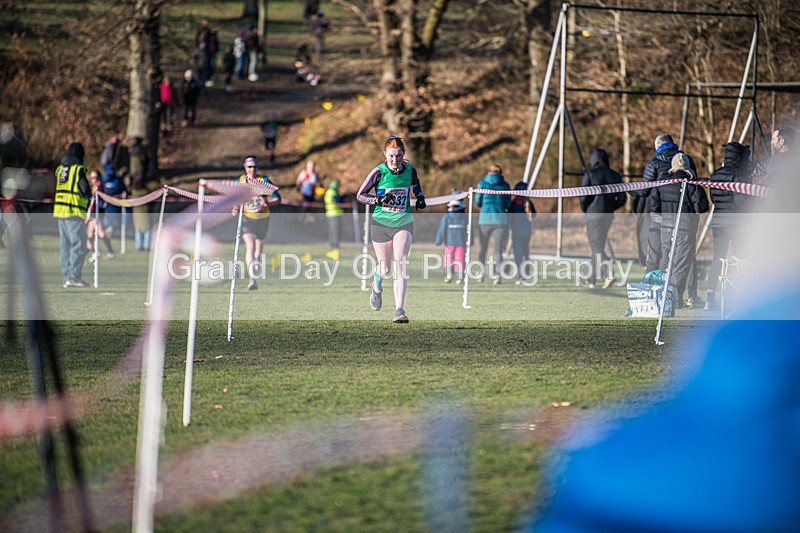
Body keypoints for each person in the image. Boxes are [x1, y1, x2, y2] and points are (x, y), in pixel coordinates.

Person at [357, 135, 427, 323]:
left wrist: (420, 197)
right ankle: (376, 284)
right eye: (391, 156)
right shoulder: (378, 172)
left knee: (400, 262)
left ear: (404, 154)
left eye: (398, 156)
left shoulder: (410, 170)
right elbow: (361, 195)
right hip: (381, 224)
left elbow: (415, 184)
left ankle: (399, 310)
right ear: (384, 154)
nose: (395, 160)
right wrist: (377, 200)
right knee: (385, 268)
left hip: (403, 222)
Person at [651, 151, 708, 308]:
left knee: (666, 261)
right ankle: (675, 300)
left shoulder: (662, 183)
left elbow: (654, 204)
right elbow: (702, 206)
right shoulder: (690, 184)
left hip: (666, 228)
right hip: (685, 228)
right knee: (681, 263)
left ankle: (662, 297)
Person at [705, 141, 751, 312]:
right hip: (736, 222)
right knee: (740, 259)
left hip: (718, 221)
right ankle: (739, 298)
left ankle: (710, 299)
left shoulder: (715, 175)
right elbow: (741, 202)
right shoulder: (740, 175)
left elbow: (714, 199)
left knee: (717, 259)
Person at [631, 133, 683, 274]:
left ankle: (651, 283)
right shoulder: (684, 160)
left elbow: (645, 190)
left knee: (654, 253)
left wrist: (632, 190)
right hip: (681, 213)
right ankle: (683, 288)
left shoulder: (654, 163)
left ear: (658, 146)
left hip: (660, 214)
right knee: (681, 255)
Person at [579, 148, 626, 288]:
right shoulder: (615, 175)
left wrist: (587, 209)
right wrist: (611, 207)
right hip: (607, 216)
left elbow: (583, 197)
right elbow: (622, 198)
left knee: (596, 246)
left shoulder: (590, 174)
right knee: (598, 245)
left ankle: (609, 273)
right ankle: (591, 279)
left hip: (593, 215)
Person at [234, 156, 281, 290]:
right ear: (245, 168)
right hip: (247, 218)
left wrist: (267, 203)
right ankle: (252, 280)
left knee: (258, 253)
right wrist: (235, 208)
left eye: (254, 167)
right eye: (249, 167)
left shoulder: (263, 180)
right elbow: (233, 199)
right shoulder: (240, 182)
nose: (252, 169)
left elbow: (278, 198)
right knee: (251, 246)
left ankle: (254, 269)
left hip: (263, 218)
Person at [54, 142, 91, 288]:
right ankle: (73, 276)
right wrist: (90, 193)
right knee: (79, 244)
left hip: (60, 211)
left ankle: (67, 276)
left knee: (65, 245)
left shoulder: (60, 169)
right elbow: (84, 188)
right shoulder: (78, 169)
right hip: (73, 211)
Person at [474, 164, 511, 284]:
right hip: (500, 221)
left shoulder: (482, 184)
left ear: (489, 172)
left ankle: (480, 274)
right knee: (498, 250)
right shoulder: (505, 186)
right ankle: (497, 275)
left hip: (484, 220)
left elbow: (478, 202)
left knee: (483, 249)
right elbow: (508, 204)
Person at [434, 198, 469, 284]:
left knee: (448, 258)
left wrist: (438, 241)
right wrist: (470, 241)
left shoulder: (447, 216)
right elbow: (469, 230)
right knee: (460, 259)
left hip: (449, 242)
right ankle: (460, 277)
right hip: (461, 242)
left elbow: (442, 229)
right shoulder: (465, 216)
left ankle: (448, 274)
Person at [509, 181, 536, 285]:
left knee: (518, 255)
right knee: (525, 253)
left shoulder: (513, 203)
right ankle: (525, 274)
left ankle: (519, 276)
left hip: (516, 232)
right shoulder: (529, 202)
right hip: (527, 232)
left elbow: (509, 216)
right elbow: (534, 215)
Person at [86, 170, 115, 261]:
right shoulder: (95, 187)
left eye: (95, 177)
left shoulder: (99, 187)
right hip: (93, 213)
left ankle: (107, 252)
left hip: (97, 213)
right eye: (91, 178)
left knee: (99, 233)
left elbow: (101, 202)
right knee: (91, 234)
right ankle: (95, 252)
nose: (93, 180)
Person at [101, 163, 126, 237]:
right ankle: (107, 233)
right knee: (108, 223)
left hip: (115, 205)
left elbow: (124, 191)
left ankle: (110, 232)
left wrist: (123, 194)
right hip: (107, 206)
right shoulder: (104, 179)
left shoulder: (117, 180)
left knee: (114, 223)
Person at [324, 180, 344, 251]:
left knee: (332, 231)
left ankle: (333, 244)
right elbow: (337, 202)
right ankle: (334, 245)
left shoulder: (328, 192)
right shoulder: (333, 192)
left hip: (331, 214)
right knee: (335, 231)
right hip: (334, 214)